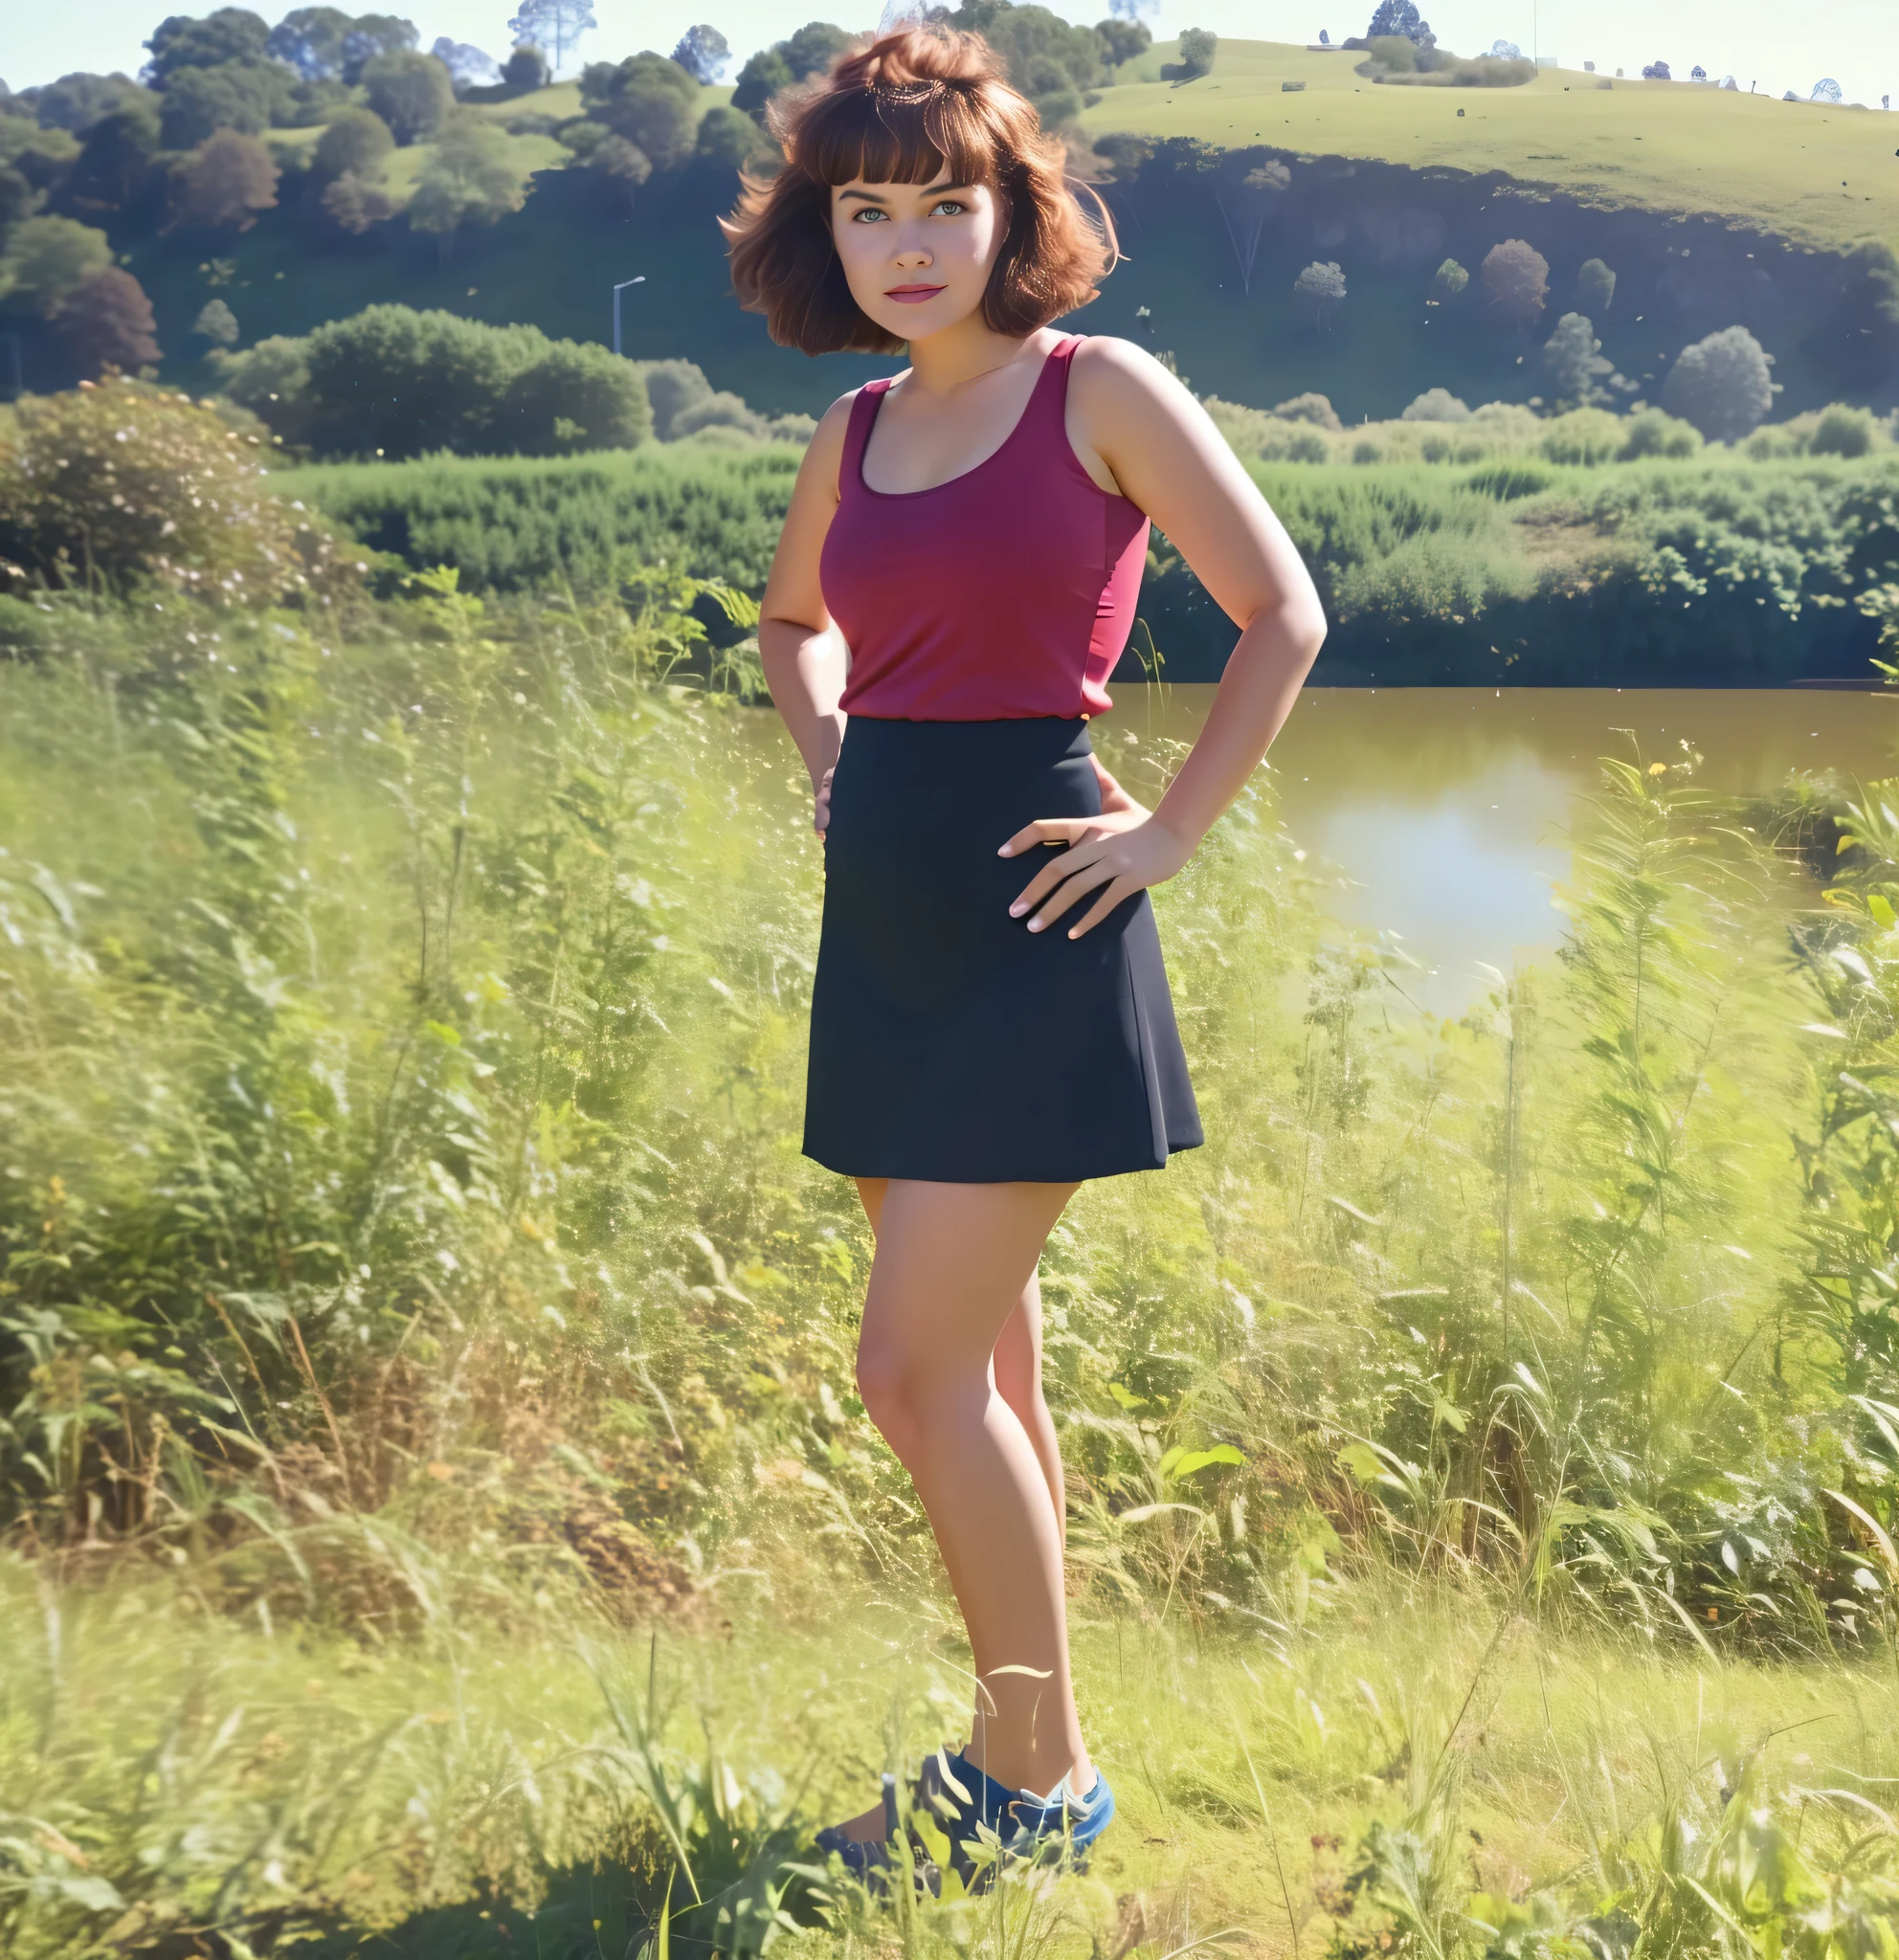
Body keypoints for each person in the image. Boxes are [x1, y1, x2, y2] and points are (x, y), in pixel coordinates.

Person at [720, 23, 1326, 1889]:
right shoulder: (853, 428)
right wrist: (829, 761)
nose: (906, 242)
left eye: (943, 204)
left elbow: (1279, 615)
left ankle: (1026, 1782)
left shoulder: (1098, 388)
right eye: (868, 207)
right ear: (829, 235)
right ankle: (1033, 1767)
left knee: (909, 1377)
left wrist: (1165, 832)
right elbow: (791, 621)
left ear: (1008, 214)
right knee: (987, 1378)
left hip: (1032, 915)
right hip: (887, 917)